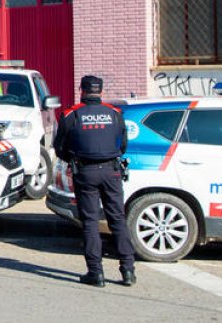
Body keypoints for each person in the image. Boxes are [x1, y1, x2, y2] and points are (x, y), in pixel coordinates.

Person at [55, 75, 136, 288]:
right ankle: (128, 270)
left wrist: (75, 159)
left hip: (85, 171)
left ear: (81, 90)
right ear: (100, 91)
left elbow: (59, 147)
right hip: (112, 171)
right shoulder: (115, 113)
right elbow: (123, 145)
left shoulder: (71, 114)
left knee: (91, 222)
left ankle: (96, 272)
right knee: (117, 219)